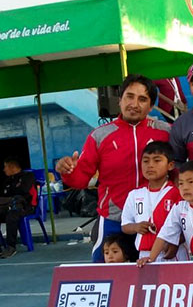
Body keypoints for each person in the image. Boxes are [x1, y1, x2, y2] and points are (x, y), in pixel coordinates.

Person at [56, 74, 171, 263]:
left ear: (150, 106)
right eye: (129, 96)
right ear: (120, 100)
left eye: (142, 99)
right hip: (113, 220)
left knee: (154, 282)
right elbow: (80, 179)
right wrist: (67, 171)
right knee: (103, 279)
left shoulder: (165, 131)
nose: (134, 103)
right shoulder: (100, 135)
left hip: (154, 222)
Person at [137, 160, 193, 267]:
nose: (185, 187)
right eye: (181, 183)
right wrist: (151, 258)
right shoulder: (179, 207)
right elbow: (164, 234)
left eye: (191, 182)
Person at [120, 142, 184, 260]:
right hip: (144, 254)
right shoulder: (135, 194)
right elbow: (125, 225)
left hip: (172, 252)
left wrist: (175, 242)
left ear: (170, 165)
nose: (150, 165)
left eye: (157, 160)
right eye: (145, 161)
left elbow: (186, 227)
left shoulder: (177, 193)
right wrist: (136, 227)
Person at [0, 157, 37, 260]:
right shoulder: (6, 181)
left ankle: (11, 246)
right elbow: (1, 195)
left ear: (12, 167)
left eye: (5, 167)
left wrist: (11, 193)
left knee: (12, 215)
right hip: (7, 207)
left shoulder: (28, 176)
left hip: (26, 207)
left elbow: (23, 191)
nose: (4, 170)